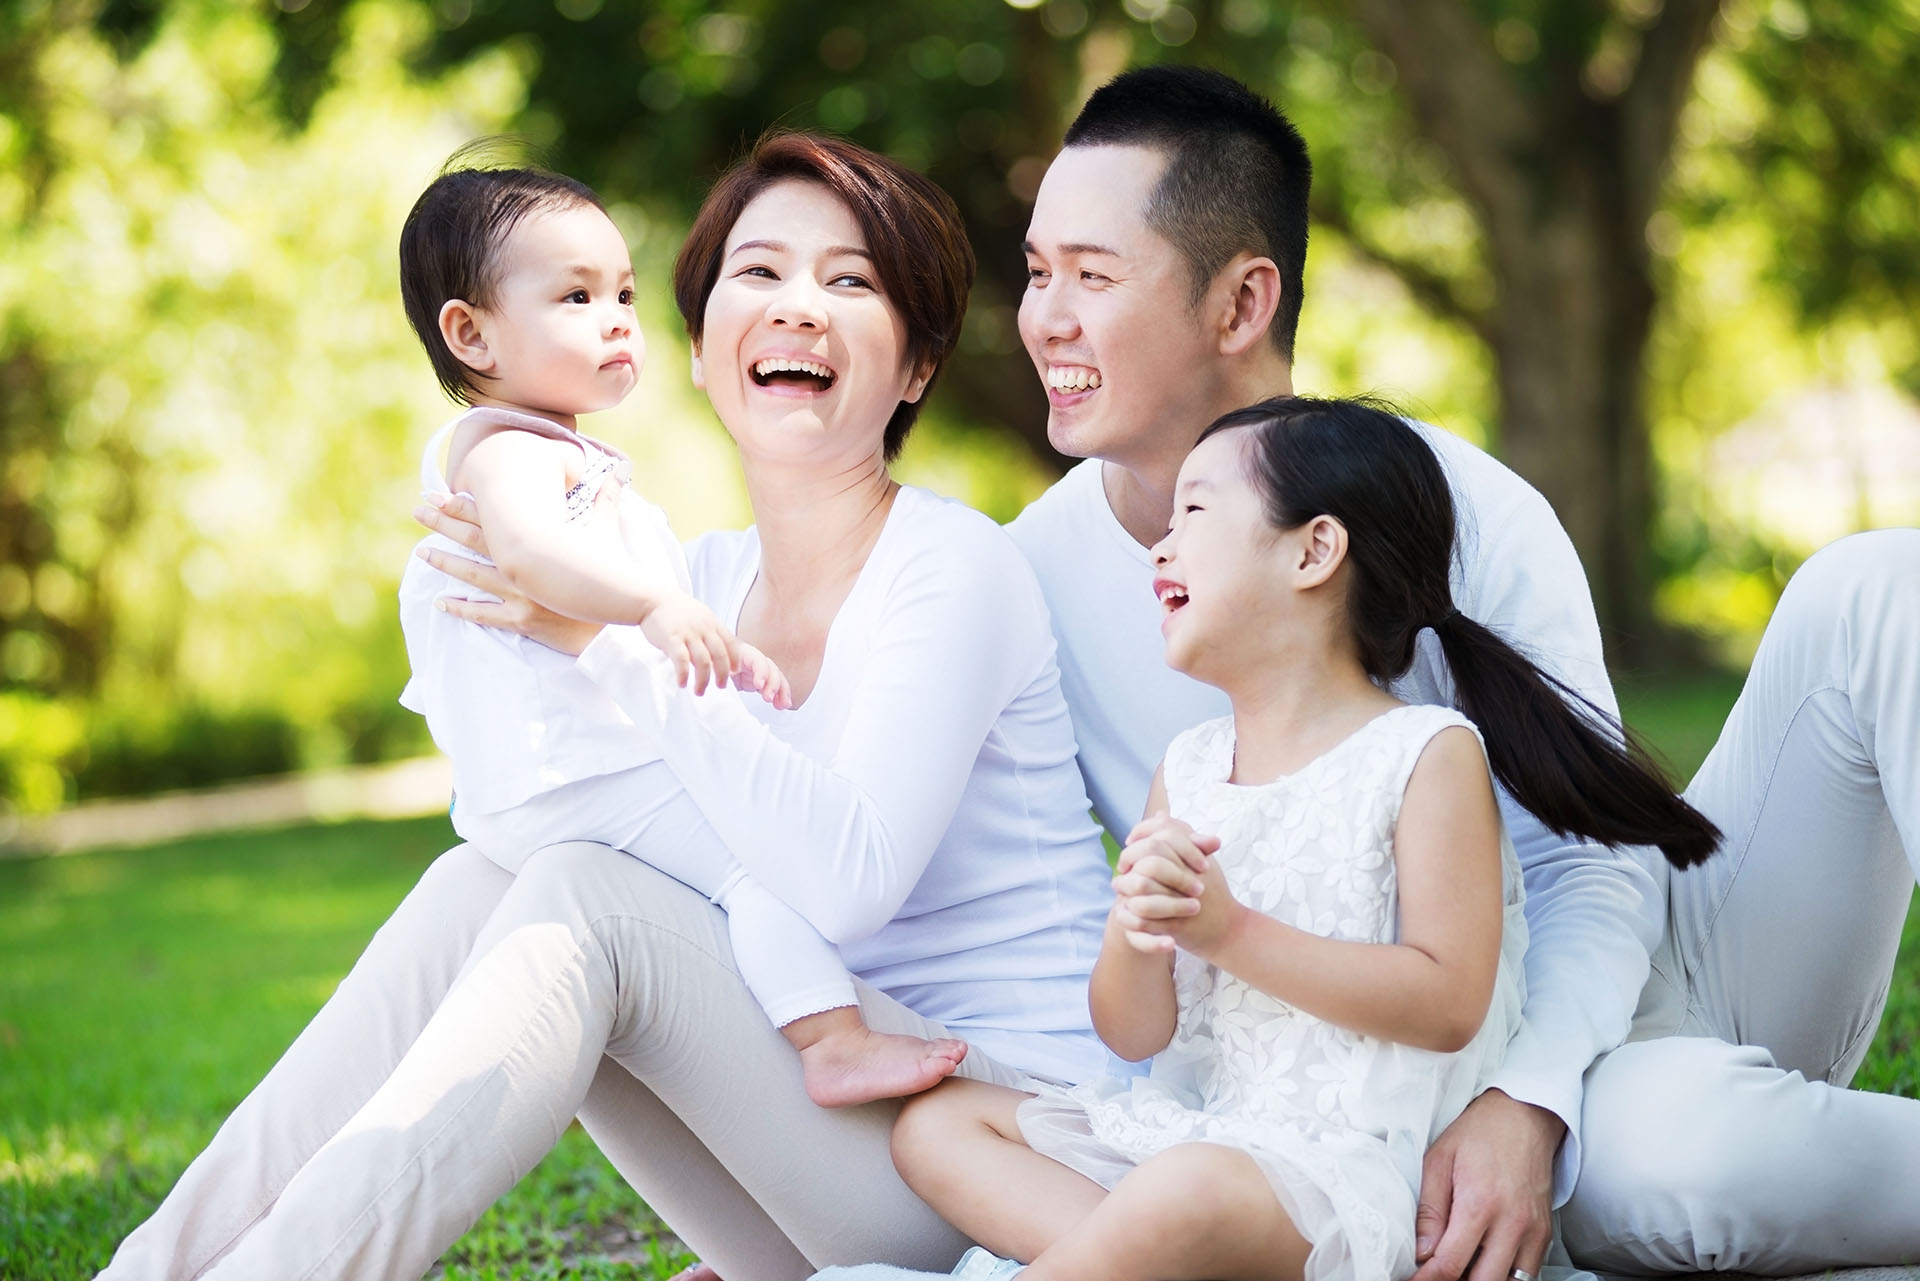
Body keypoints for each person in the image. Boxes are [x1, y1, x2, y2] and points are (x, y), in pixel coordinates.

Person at [96, 132, 1115, 1281]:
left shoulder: (952, 567)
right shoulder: (702, 578)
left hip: (994, 1144)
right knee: (477, 882)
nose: (797, 309)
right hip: (810, 1139)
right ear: (699, 344)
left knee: (589, 895)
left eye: (850, 282)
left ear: (918, 367)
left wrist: (605, 642)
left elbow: (847, 877)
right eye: (760, 272)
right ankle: (151, 1269)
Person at [1003, 64, 1920, 1278]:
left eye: (1092, 275)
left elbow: (1595, 859)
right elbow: (1017, 919)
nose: (1043, 317)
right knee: (1677, 1168)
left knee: (1876, 585)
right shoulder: (1022, 580)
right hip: (1376, 1111)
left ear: (1241, 303)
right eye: (1035, 270)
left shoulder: (1460, 505)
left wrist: (1529, 1099)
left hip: (1643, 986)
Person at [891, 396, 1719, 1281]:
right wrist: (1138, 934)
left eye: (1196, 513)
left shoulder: (1424, 754)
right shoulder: (1192, 765)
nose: (1161, 546)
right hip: (1213, 1140)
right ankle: (1142, 1261)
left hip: (1346, 1178)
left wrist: (1229, 932)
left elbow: (1447, 1002)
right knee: (935, 1126)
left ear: (1314, 550)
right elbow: (1132, 1035)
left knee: (1186, 1197)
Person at [392, 159, 970, 1109]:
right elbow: (535, 559)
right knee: (754, 863)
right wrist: (654, 611)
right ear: (472, 333)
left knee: (718, 875)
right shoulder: (506, 454)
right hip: (569, 775)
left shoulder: (555, 451)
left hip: (554, 780)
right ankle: (831, 1040)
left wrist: (710, 650)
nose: (617, 315)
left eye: (621, 290)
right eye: (575, 296)